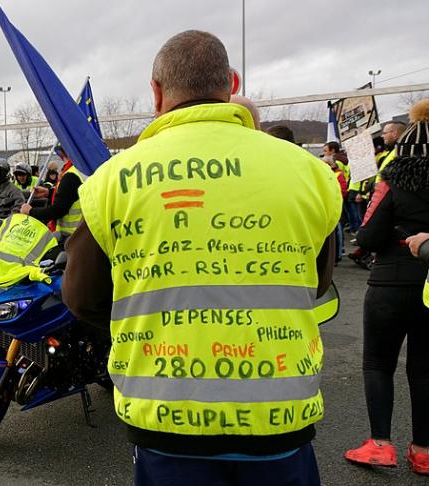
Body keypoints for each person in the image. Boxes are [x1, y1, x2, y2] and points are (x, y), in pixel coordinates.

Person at [62, 30, 341, 484]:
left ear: (156, 92)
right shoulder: (309, 171)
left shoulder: (111, 181)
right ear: (232, 82)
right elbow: (317, 281)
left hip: (166, 418)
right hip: (280, 418)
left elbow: (82, 297)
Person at [346, 100, 429, 475]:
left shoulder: (392, 181)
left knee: (378, 363)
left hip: (390, 281)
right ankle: (423, 449)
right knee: (425, 368)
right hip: (428, 284)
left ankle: (380, 444)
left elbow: (368, 233)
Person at [22, 147, 86, 239]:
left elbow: (57, 210)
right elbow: (71, 195)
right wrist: (49, 192)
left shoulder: (70, 175)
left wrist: (31, 211)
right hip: (80, 234)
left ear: (61, 152)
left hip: (70, 237)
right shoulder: (79, 171)